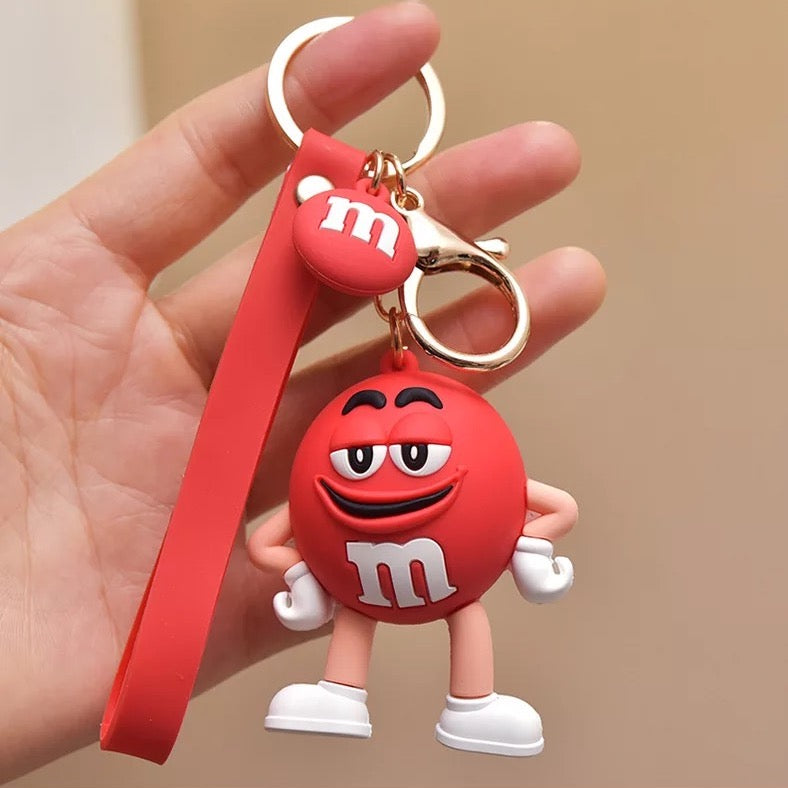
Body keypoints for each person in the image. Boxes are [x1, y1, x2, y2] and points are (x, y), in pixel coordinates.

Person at [0, 2, 604, 781]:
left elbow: (537, 502)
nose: (383, 464)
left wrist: (528, 549)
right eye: (370, 456)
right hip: (356, 573)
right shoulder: (336, 486)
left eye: (408, 452)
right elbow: (284, 534)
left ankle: (474, 704)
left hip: (427, 572)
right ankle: (341, 695)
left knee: (457, 612)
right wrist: (297, 572)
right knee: (368, 615)